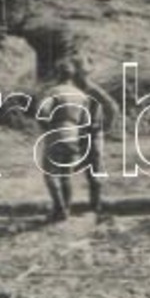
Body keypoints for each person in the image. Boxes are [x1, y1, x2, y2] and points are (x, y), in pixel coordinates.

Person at [37, 59, 105, 223]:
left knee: (50, 174)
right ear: (72, 75)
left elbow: (42, 112)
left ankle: (60, 209)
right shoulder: (81, 95)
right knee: (66, 176)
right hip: (74, 135)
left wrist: (47, 127)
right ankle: (65, 209)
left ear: (57, 74)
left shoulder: (53, 92)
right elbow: (85, 121)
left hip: (57, 133)